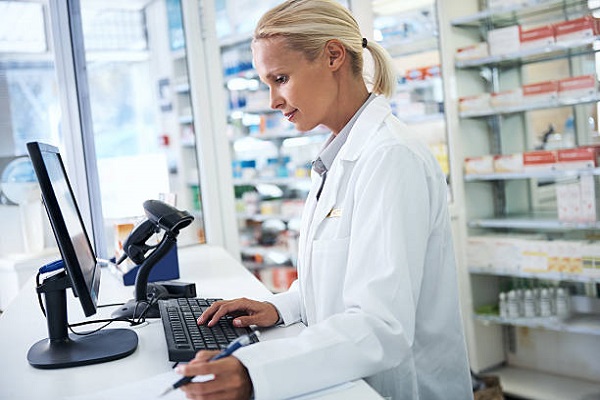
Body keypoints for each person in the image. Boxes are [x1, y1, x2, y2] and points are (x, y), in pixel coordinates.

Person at [176, 1, 473, 399]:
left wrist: (253, 373)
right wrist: (282, 308)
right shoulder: (340, 155)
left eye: (280, 78)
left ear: (333, 55)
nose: (273, 101)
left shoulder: (389, 156)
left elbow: (381, 326)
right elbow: (341, 281)